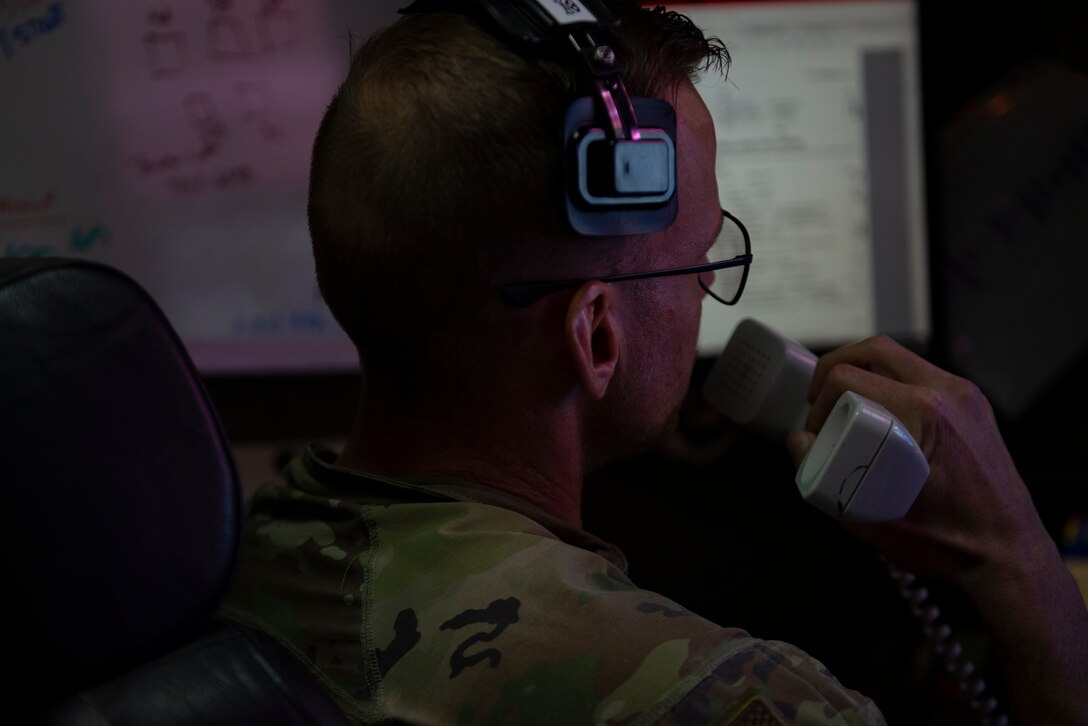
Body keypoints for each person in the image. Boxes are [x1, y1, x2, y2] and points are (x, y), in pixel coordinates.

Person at [221, 2, 1088, 723]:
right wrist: (1016, 561)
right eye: (701, 257)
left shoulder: (236, 553)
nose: (709, 285)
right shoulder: (733, 699)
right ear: (596, 335)